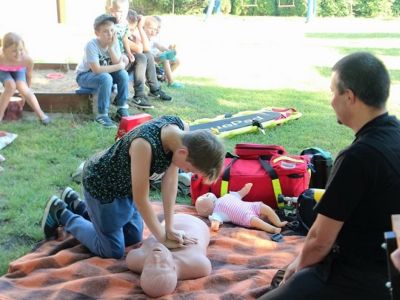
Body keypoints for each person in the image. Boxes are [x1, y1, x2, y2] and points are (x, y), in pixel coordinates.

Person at [258, 52, 400, 300]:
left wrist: (298, 265)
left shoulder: (358, 157)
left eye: (333, 91)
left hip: (356, 278)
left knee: (284, 281)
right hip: (389, 271)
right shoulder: (395, 136)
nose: (331, 100)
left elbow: (319, 241)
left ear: (349, 97)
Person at [41, 115, 225, 261]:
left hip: (125, 188)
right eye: (189, 169)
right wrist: (162, 238)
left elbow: (170, 182)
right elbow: (141, 198)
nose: (185, 171)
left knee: (133, 238)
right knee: (112, 250)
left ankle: (77, 204)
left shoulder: (182, 132)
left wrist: (169, 228)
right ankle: (62, 214)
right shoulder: (143, 145)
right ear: (183, 153)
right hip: (103, 187)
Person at [126, 213, 212, 298]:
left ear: (143, 268)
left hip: (171, 218)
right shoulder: (197, 263)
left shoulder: (135, 260)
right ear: (174, 268)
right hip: (195, 222)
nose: (156, 258)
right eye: (163, 266)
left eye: (150, 265)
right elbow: (197, 239)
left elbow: (132, 255)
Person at [75, 14, 130, 128]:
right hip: (85, 76)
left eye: (112, 30)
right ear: (97, 33)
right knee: (106, 77)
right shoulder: (91, 45)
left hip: (103, 74)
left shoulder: (114, 42)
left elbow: (117, 63)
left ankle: (121, 108)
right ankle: (102, 115)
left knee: (123, 74)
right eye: (105, 31)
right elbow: (96, 69)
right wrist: (120, 66)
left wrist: (111, 48)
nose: (110, 34)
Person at [0, 32, 50, 124]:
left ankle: (40, 114)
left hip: (19, 69)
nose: (18, 54)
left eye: (21, 50)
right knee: (10, 85)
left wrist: (25, 93)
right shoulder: (1, 58)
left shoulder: (27, 59)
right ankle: (0, 114)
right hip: (3, 70)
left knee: (22, 86)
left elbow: (29, 76)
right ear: (4, 50)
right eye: (14, 51)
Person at [195, 183, 287, 233]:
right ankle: (273, 229)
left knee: (266, 208)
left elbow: (239, 194)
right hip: (244, 217)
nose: (205, 195)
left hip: (251, 206)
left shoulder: (225, 196)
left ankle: (278, 223)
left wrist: (246, 189)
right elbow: (215, 223)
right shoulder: (216, 213)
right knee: (258, 223)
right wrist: (214, 226)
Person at [126, 10, 172, 109]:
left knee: (148, 55)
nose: (131, 31)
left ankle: (154, 89)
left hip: (129, 63)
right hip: (122, 64)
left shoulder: (134, 33)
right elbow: (143, 48)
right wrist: (139, 28)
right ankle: (139, 96)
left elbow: (146, 49)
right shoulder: (128, 32)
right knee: (143, 55)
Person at [143, 16, 183, 89]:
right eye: (155, 28)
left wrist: (169, 51)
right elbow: (146, 52)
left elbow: (159, 46)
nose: (157, 30)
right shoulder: (144, 37)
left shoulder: (153, 38)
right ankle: (171, 82)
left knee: (177, 61)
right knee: (164, 58)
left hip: (157, 58)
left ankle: (164, 78)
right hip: (151, 59)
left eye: (158, 27)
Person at [108, 0, 134, 68]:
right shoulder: (108, 23)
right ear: (111, 10)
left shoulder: (125, 23)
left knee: (126, 60)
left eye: (125, 11)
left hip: (120, 52)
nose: (123, 14)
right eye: (120, 11)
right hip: (108, 52)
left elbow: (124, 38)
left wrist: (129, 52)